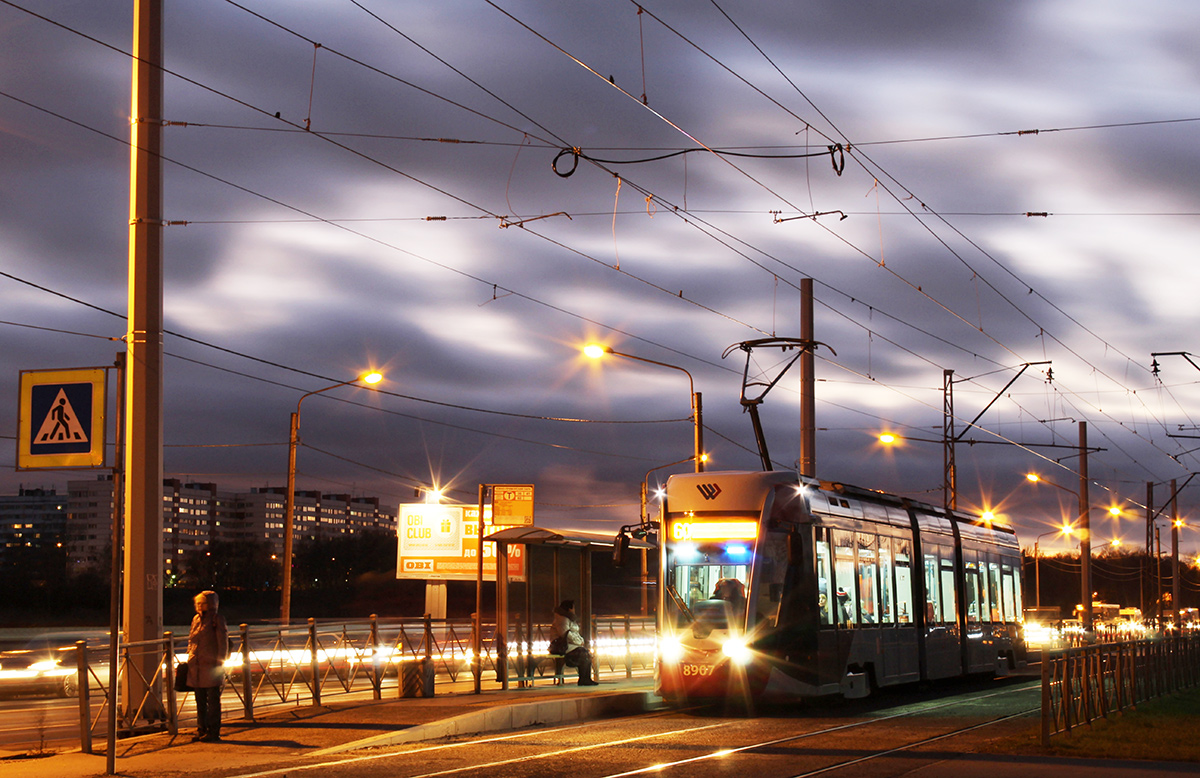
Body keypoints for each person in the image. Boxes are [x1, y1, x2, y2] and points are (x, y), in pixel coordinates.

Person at [187, 590, 229, 742]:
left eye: (202, 603)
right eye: (197, 603)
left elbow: (222, 642)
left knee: (212, 700)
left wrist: (220, 662)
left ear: (211, 604)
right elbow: (192, 641)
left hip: (211, 666)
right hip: (196, 666)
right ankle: (201, 729)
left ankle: (213, 731)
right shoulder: (196, 620)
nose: (199, 606)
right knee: (200, 700)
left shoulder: (217, 619)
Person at [551, 600, 597, 686]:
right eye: (573, 607)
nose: (574, 609)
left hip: (570, 645)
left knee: (587, 654)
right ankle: (584, 679)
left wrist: (580, 641)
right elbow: (565, 634)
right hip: (561, 645)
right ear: (569, 608)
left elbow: (573, 633)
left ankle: (586, 678)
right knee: (584, 654)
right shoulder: (562, 619)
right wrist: (579, 641)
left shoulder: (569, 618)